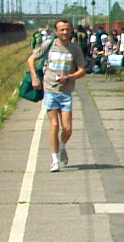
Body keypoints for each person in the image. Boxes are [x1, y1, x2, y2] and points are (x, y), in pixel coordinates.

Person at [28, 19, 87, 172]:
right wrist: (34, 77)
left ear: (71, 30)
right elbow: (31, 59)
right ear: (56, 31)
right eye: (61, 30)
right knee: (54, 125)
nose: (64, 32)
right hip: (50, 90)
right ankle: (54, 160)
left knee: (67, 128)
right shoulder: (49, 45)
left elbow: (82, 71)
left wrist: (69, 77)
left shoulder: (75, 49)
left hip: (66, 92)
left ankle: (61, 146)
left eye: (67, 29)